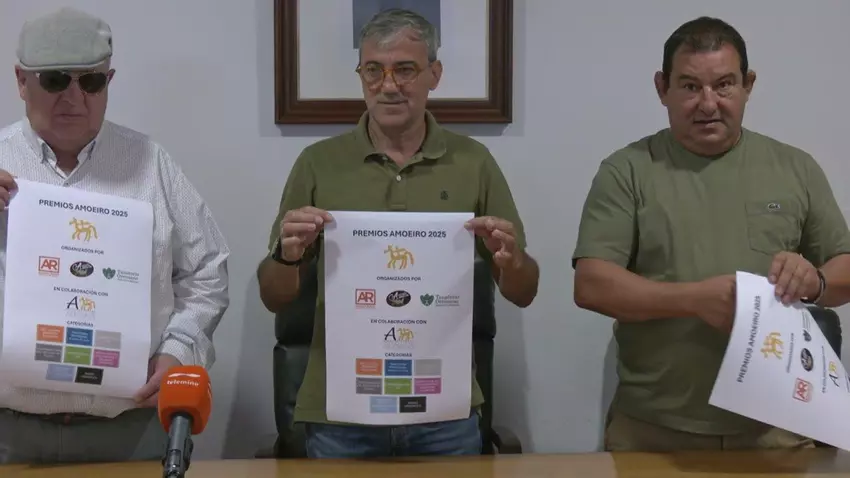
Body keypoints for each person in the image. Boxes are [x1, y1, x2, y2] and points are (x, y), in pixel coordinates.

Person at [258, 8, 538, 458]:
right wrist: (287, 256)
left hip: (444, 413)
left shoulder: (474, 163)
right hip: (341, 415)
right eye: (373, 70)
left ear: (434, 75)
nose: (388, 86)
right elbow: (273, 297)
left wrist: (512, 260)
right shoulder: (317, 163)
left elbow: (524, 292)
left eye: (405, 69)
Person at [572, 16, 850, 452]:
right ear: (662, 87)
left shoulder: (796, 168)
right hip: (653, 428)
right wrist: (694, 299)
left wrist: (814, 280)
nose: (707, 104)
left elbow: (844, 269)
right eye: (689, 86)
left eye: (723, 85)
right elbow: (591, 284)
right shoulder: (626, 170)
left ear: (748, 85)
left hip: (777, 429)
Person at [0, 7, 230, 464]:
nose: (73, 98)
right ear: (22, 81)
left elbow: (207, 271)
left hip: (129, 431)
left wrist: (178, 351)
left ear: (109, 80)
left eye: (90, 82)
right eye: (54, 80)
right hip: (9, 432)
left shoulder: (151, 164)